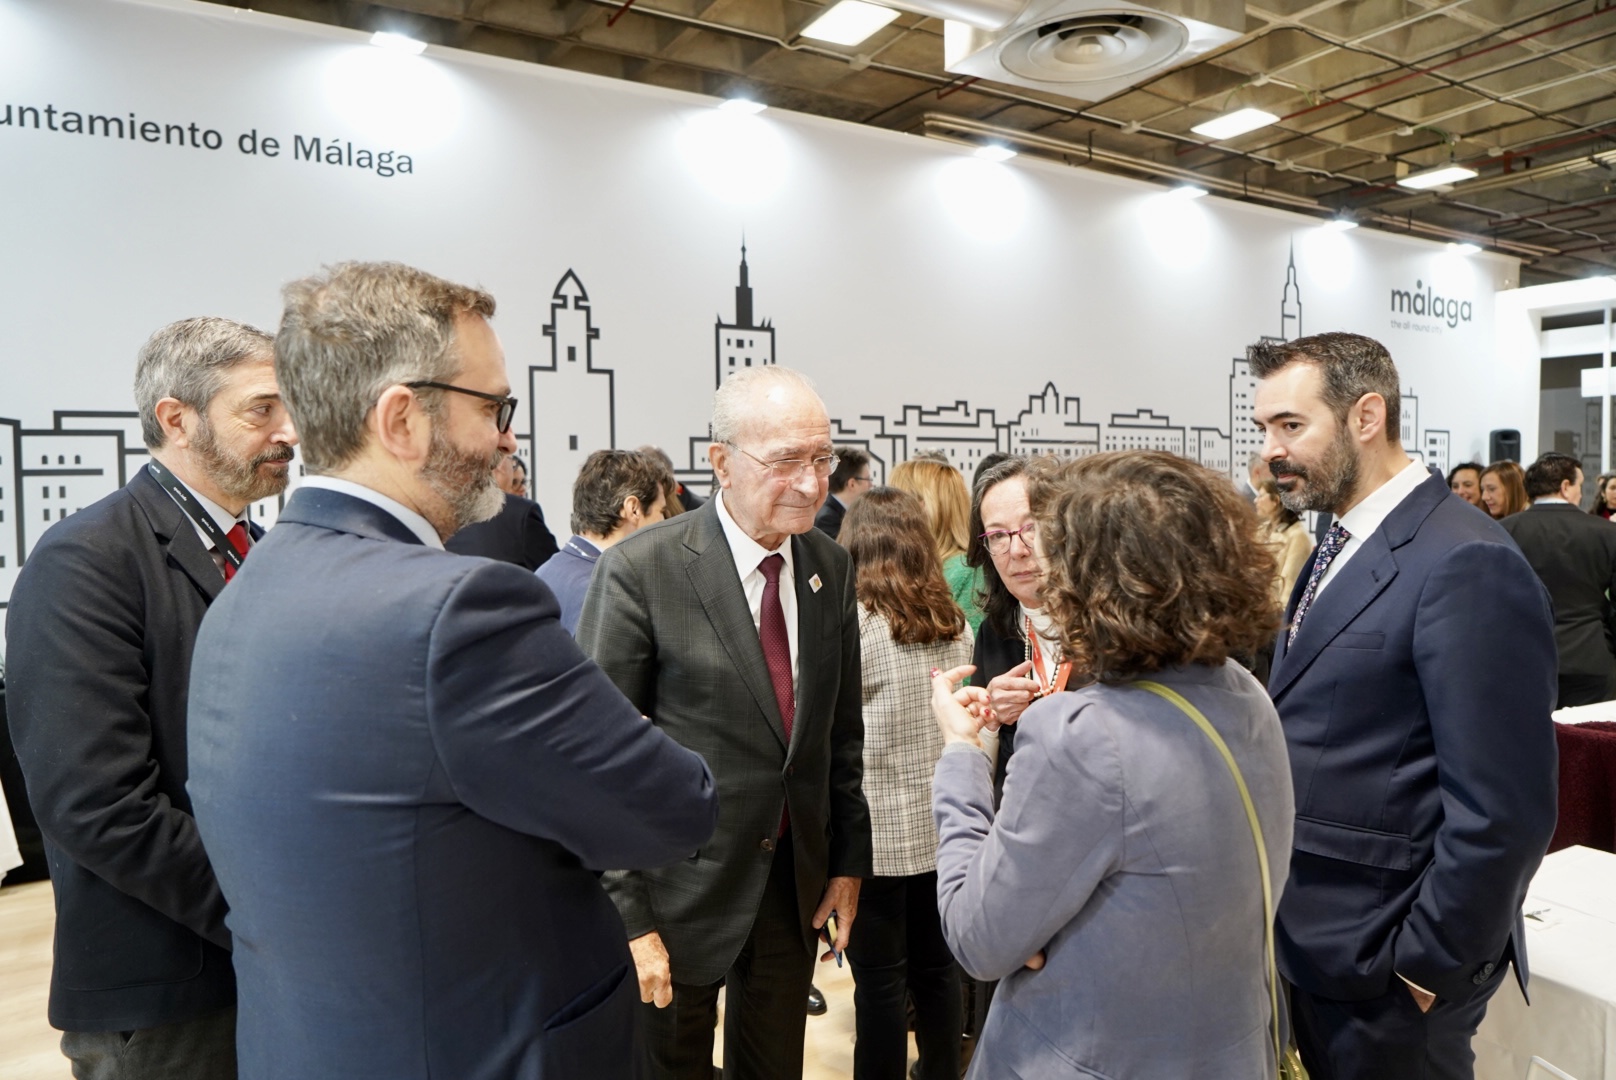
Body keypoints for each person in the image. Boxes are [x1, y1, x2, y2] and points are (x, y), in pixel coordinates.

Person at [185, 261, 718, 1080]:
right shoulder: (461, 614)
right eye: (494, 407)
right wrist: (633, 735)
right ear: (402, 418)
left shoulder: (243, 593)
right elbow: (674, 809)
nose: (508, 437)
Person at [928, 450, 1295, 1079]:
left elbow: (977, 937)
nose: (1030, 559)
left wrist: (962, 752)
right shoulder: (1245, 694)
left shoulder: (1082, 735)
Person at [1251, 332, 1558, 1080]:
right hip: (1323, 946)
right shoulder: (1338, 544)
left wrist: (1428, 965)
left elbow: (1504, 808)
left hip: (1391, 967)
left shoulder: (1463, 558)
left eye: (1291, 426)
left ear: (1366, 416)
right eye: (1264, 430)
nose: (1271, 452)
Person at [5, 317, 297, 1079]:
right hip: (169, 989)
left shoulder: (262, 555)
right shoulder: (87, 559)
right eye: (261, 409)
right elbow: (96, 803)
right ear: (176, 418)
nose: (289, 430)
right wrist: (271, 912)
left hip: (268, 971)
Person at [576, 365, 872, 1080]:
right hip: (675, 890)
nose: (811, 484)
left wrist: (845, 864)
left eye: (822, 460)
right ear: (721, 463)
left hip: (790, 887)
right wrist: (629, 918)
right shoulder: (644, 572)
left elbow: (838, 733)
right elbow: (593, 760)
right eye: (787, 462)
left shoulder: (829, 568)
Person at [838, 487, 972, 1080]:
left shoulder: (855, 626)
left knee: (880, 985)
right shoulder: (955, 622)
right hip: (944, 829)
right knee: (938, 973)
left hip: (874, 839)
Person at [1501, 452, 1616, 708]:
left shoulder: (1502, 532)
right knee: (1589, 742)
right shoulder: (1608, 533)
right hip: (1591, 658)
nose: (1581, 494)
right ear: (1565, 487)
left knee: (1528, 744)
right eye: (1579, 485)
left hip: (1520, 658)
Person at [964, 456, 1046, 801]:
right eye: (998, 535)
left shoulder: (1108, 629)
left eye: (1030, 528)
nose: (1017, 550)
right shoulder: (995, 632)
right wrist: (991, 719)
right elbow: (982, 768)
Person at [538, 448, 668, 635]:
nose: (666, 521)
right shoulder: (607, 591)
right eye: (661, 511)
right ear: (633, 509)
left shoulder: (545, 572)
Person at [890, 458, 983, 633]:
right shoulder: (917, 568)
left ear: (924, 506)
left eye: (896, 503)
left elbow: (973, 651)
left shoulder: (966, 573)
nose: (888, 513)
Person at [442, 449, 560, 569]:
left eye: (523, 482)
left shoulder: (445, 509)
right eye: (511, 462)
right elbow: (555, 572)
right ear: (499, 465)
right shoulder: (522, 514)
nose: (521, 488)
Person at [1254, 476, 1314, 605]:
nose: (1255, 501)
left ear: (1275, 500)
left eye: (1260, 496)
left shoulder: (1297, 536)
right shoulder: (1261, 530)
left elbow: (1289, 585)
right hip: (1255, 609)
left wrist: (1281, 621)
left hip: (1274, 615)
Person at [815, 445, 873, 539]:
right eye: (868, 479)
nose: (871, 485)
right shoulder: (827, 519)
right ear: (852, 484)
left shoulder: (843, 512)